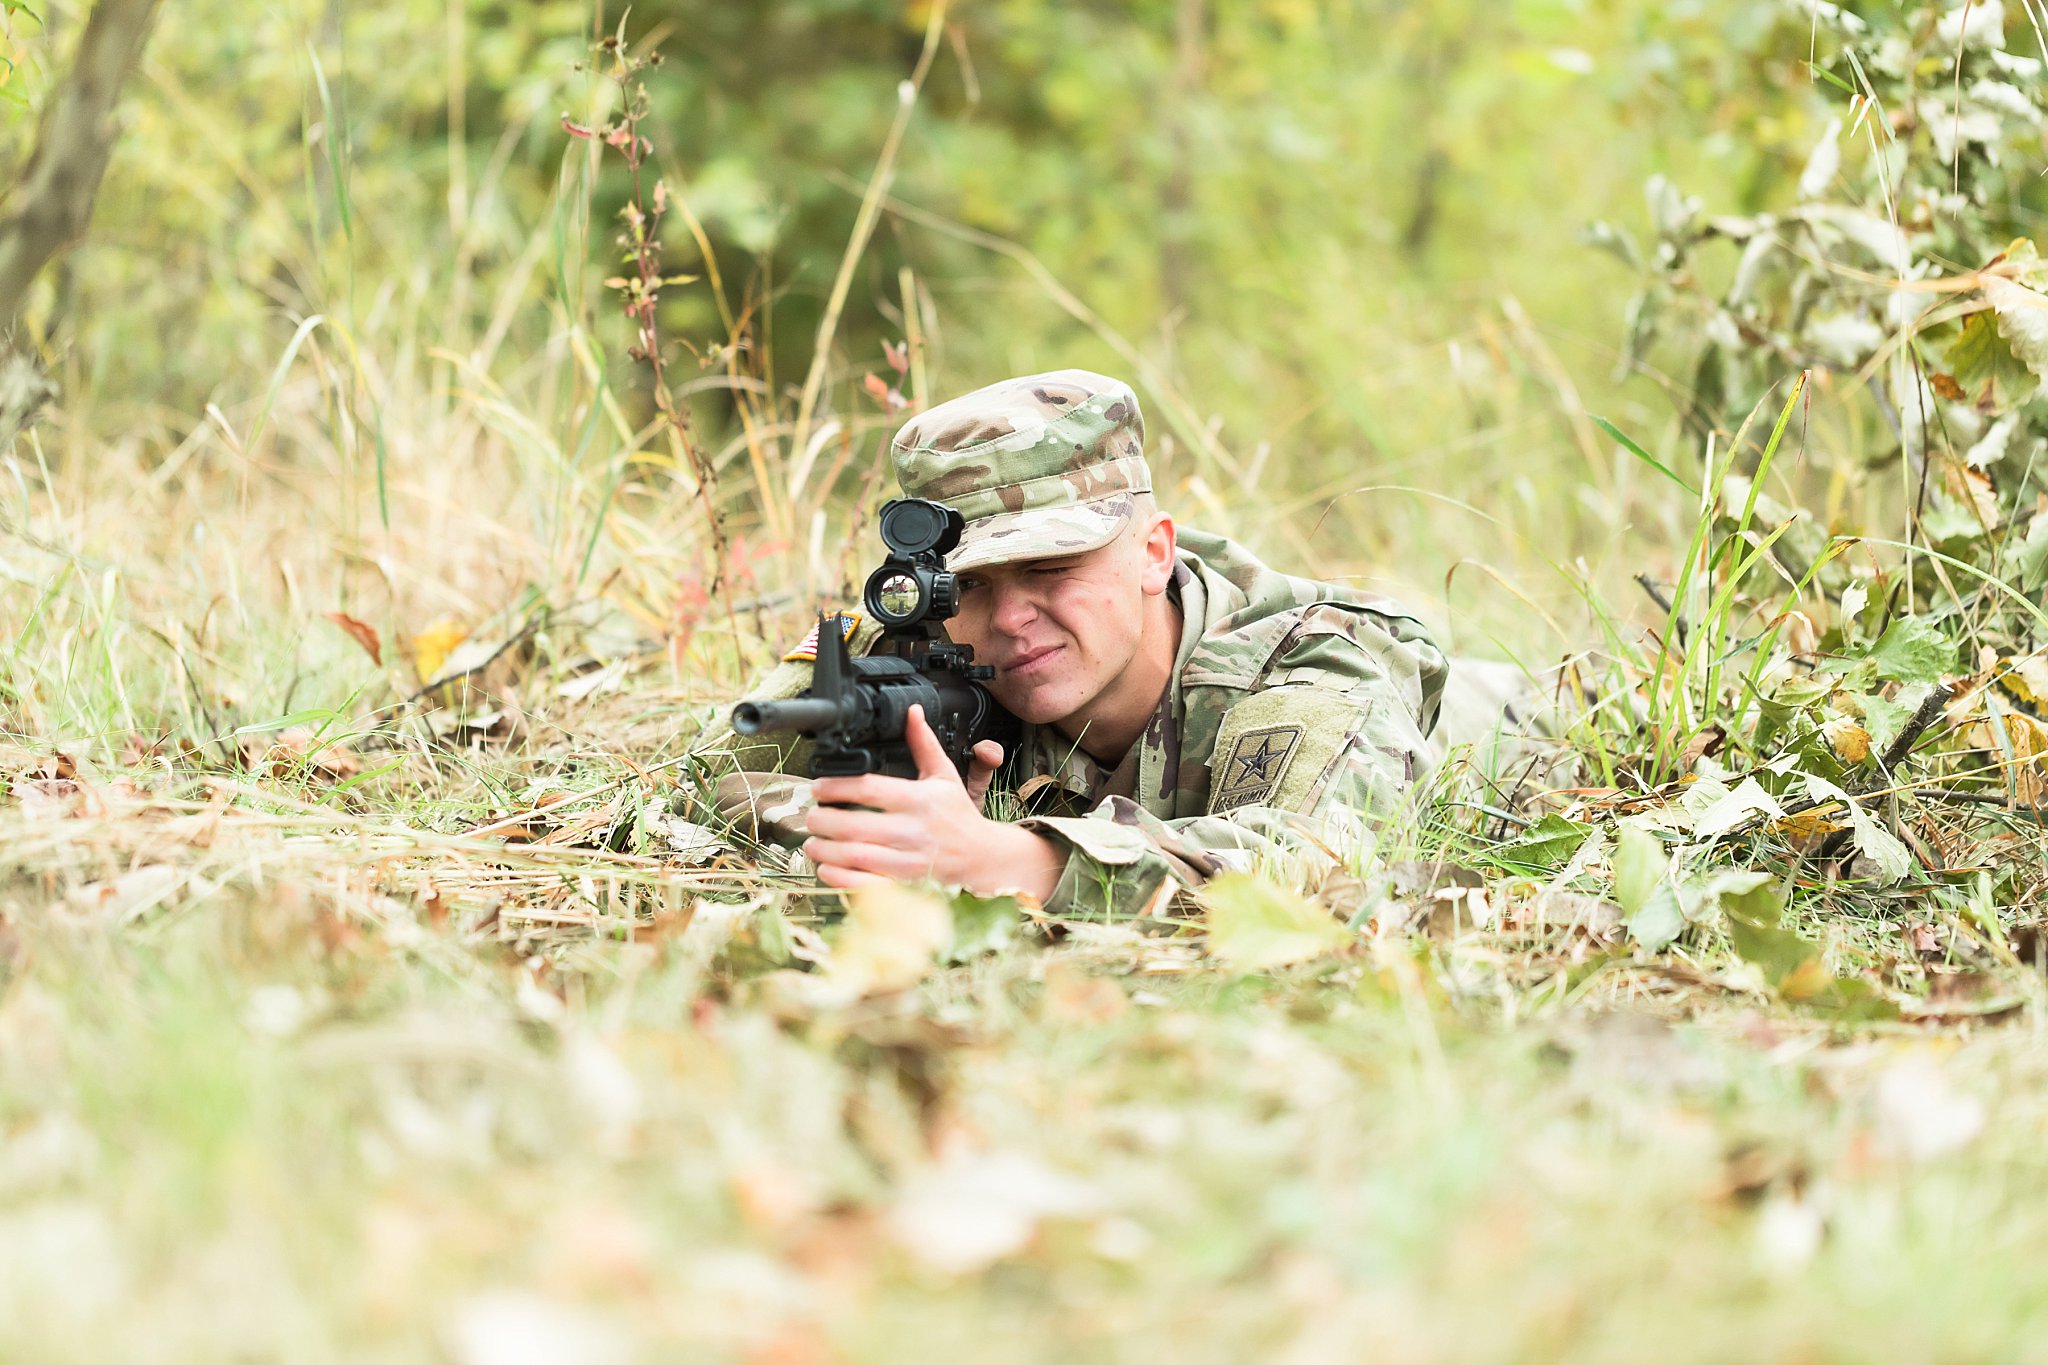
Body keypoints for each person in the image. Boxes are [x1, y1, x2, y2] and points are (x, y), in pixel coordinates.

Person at [690, 368, 1453, 917]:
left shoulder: (1312, 662)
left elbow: (1311, 863)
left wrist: (1012, 860)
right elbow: (701, 774)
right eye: (975, 584)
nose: (1011, 617)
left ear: (1155, 552)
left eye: (1052, 567)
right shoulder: (919, 655)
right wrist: (874, 826)